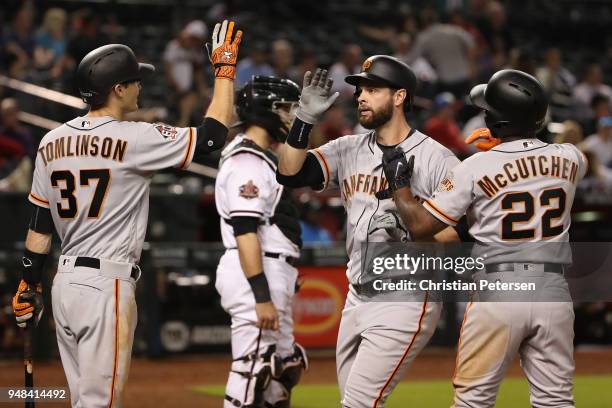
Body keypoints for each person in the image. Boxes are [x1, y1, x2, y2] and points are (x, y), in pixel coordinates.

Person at [11, 20, 242, 407]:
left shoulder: (50, 141)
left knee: (85, 400)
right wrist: (224, 72)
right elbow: (213, 137)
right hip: (107, 286)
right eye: (134, 81)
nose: (140, 86)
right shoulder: (134, 137)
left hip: (63, 286)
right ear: (117, 89)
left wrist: (28, 283)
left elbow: (40, 224)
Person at [386, 69, 586, 408]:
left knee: (473, 401)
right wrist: (512, 146)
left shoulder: (475, 167)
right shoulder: (571, 157)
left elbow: (420, 227)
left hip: (501, 289)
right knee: (555, 401)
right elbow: (536, 157)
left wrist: (400, 186)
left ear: (495, 120)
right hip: (554, 290)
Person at [276, 56, 461, 408]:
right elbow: (289, 173)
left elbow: (454, 241)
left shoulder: (439, 159)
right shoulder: (349, 148)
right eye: (360, 88)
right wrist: (303, 120)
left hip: (404, 297)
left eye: (373, 89)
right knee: (355, 400)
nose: (361, 96)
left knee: (358, 403)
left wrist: (408, 223)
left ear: (399, 96)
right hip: (356, 295)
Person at [215, 76, 308, 408]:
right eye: (286, 109)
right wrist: (261, 294)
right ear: (266, 110)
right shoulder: (247, 162)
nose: (290, 116)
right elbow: (245, 231)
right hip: (254, 273)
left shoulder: (261, 157)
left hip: (270, 268)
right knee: (253, 371)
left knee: (284, 369)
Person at [163, 20, 208, 127]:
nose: (194, 41)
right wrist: (178, 88)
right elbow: (168, 71)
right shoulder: (174, 46)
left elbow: (198, 74)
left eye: (196, 39)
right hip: (173, 88)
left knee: (197, 99)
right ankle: (183, 124)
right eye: (192, 38)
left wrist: (203, 92)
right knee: (188, 100)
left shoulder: (196, 52)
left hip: (188, 90)